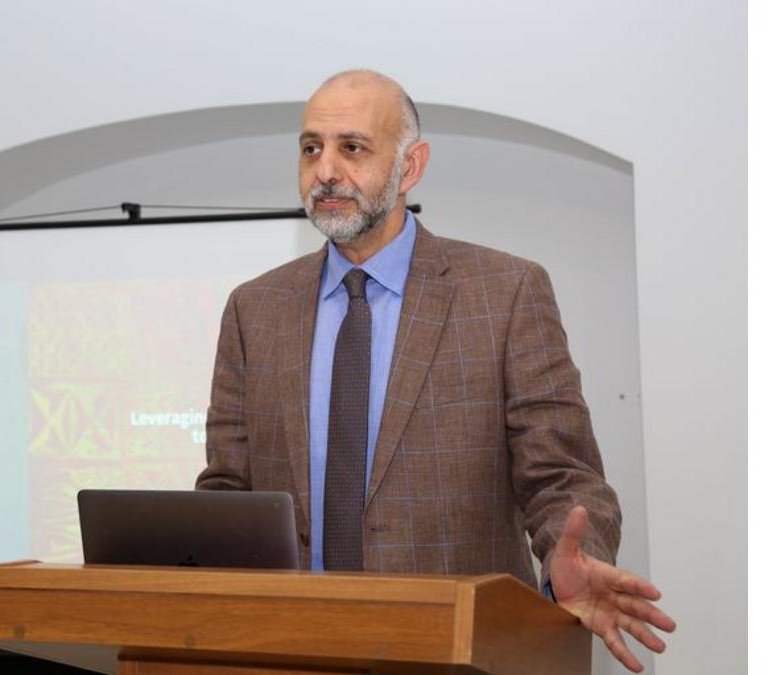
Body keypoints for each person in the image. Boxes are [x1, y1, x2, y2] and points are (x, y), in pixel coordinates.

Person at [196, 70, 675, 672]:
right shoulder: (254, 308)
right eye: (311, 148)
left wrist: (568, 561)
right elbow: (228, 489)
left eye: (352, 148)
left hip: (460, 651)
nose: (325, 171)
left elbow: (561, 476)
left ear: (411, 166)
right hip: (290, 652)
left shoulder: (504, 293)